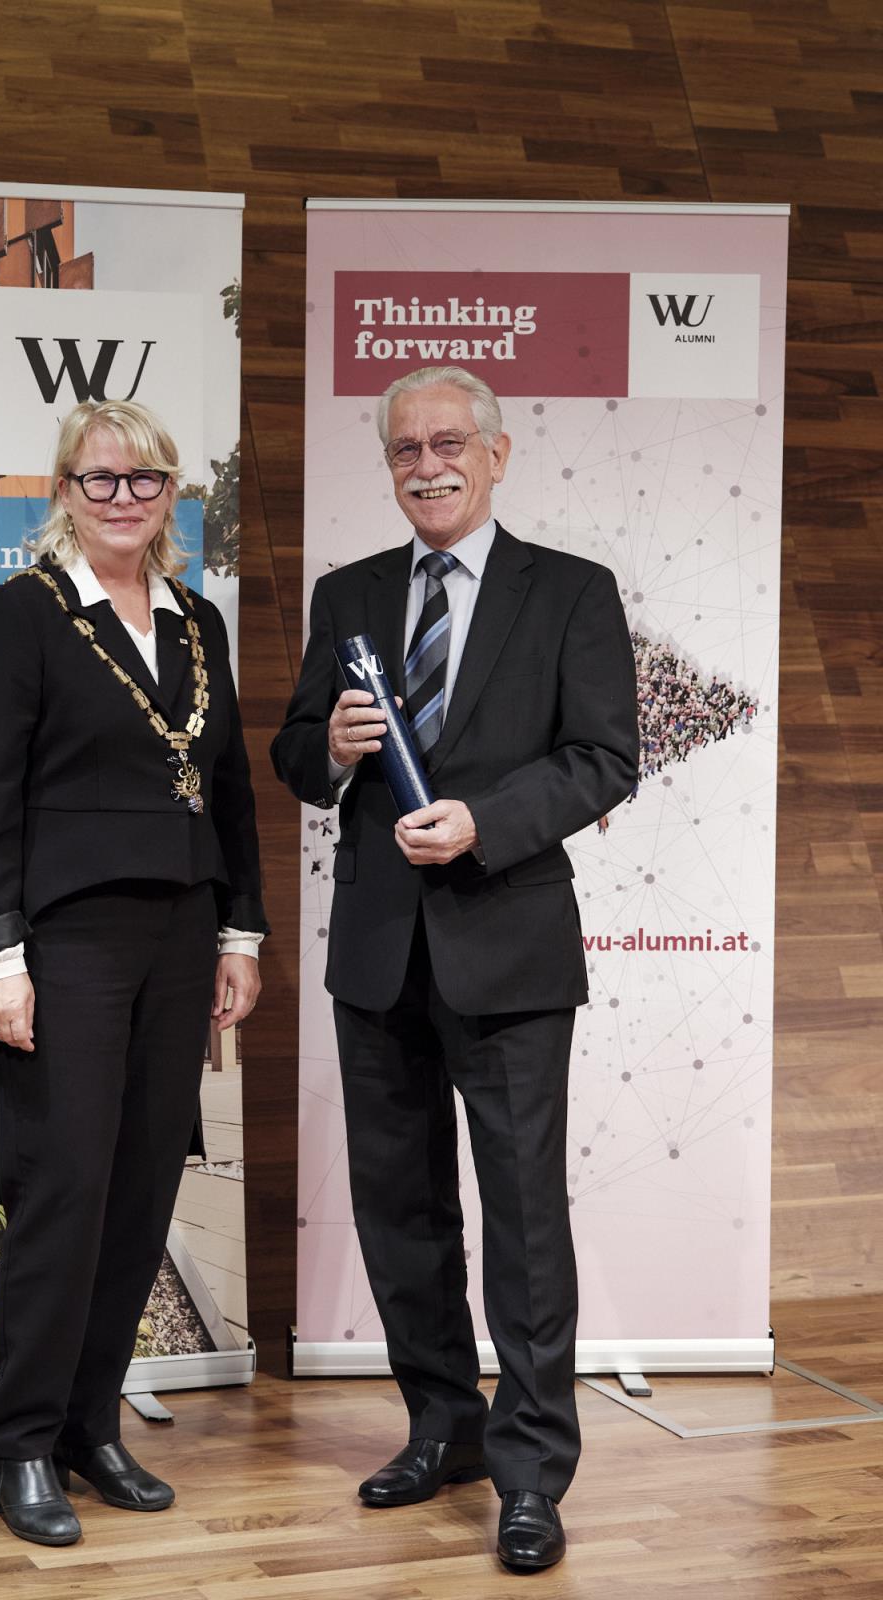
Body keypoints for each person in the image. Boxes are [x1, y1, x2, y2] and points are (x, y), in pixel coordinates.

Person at [271, 365, 638, 1574]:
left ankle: (531, 1473)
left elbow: (603, 758)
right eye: (403, 449)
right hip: (377, 953)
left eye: (445, 444)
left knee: (523, 1218)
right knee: (400, 1208)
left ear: (494, 453)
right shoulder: (348, 595)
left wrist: (484, 819)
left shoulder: (570, 591)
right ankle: (443, 1426)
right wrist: (328, 747)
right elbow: (293, 754)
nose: (425, 466)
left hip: (510, 947)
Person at [0, 398, 266, 1547]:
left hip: (180, 935)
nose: (124, 498)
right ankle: (18, 1436)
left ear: (172, 493)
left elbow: (226, 792)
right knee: (64, 1188)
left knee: (138, 1188)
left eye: (145, 479)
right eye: (100, 478)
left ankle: (87, 1421)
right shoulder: (18, 615)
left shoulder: (195, 622)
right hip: (64, 942)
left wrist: (240, 934)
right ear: (64, 490)